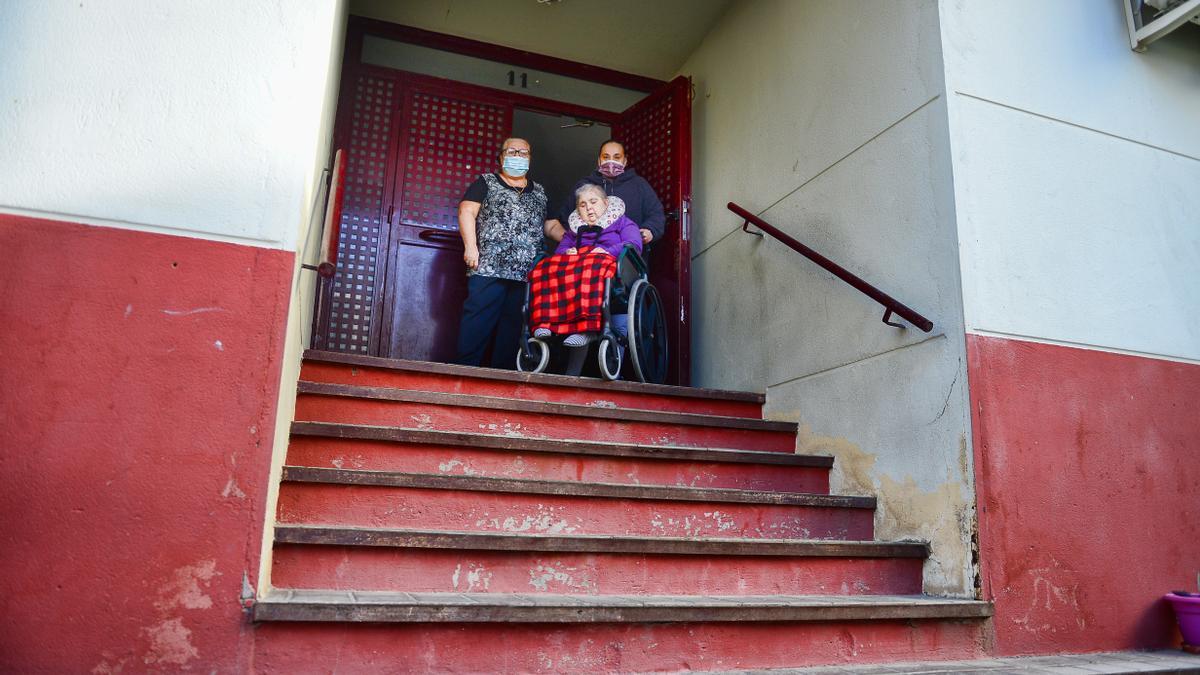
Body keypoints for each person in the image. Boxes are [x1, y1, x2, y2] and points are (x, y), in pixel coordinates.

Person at [453, 137, 549, 368]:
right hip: (489, 265)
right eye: (512, 151)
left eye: (524, 153)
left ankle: (503, 377)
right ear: (501, 156)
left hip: (527, 271)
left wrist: (577, 235)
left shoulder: (540, 191)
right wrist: (471, 246)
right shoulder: (486, 182)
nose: (518, 156)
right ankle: (463, 373)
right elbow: (467, 211)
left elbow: (550, 225)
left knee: (514, 327)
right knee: (477, 321)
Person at [528, 184, 642, 376]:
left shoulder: (623, 222)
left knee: (594, 264)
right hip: (579, 278)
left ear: (605, 203)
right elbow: (560, 251)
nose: (588, 207)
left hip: (612, 273)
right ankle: (544, 324)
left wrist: (607, 251)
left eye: (593, 201)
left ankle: (587, 328)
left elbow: (633, 244)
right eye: (582, 204)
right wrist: (567, 252)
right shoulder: (575, 230)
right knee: (546, 267)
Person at [545, 139, 666, 249]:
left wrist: (649, 230)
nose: (611, 161)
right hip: (589, 259)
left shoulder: (639, 184)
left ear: (625, 161)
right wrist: (572, 245)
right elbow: (567, 219)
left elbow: (656, 214)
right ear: (599, 160)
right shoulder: (584, 186)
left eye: (617, 157)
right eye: (606, 157)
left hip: (628, 260)